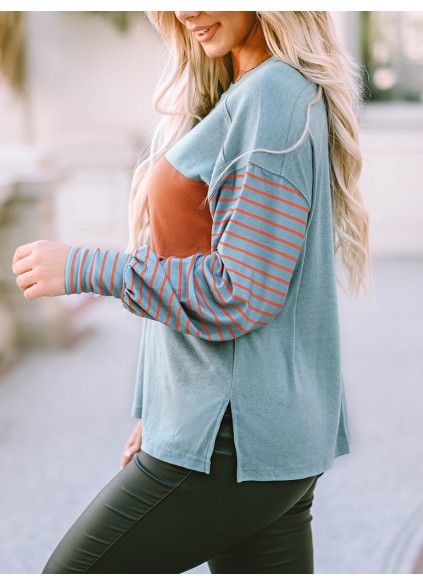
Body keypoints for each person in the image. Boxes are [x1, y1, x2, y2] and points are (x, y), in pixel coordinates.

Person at [12, 11, 370, 574]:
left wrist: (85, 267)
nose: (185, 11)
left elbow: (239, 291)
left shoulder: (274, 96)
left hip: (231, 441)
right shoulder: (246, 89)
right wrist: (159, 411)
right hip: (244, 436)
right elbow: (196, 267)